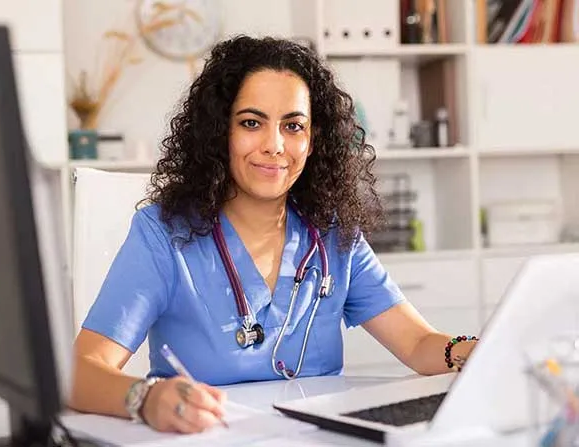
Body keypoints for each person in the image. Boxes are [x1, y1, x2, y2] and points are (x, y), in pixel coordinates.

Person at [69, 35, 478, 434]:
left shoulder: (333, 235)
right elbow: (79, 373)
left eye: (293, 126)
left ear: (313, 140)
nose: (274, 145)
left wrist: (472, 349)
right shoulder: (163, 234)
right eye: (252, 123)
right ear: (219, 132)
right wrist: (149, 398)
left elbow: (419, 343)